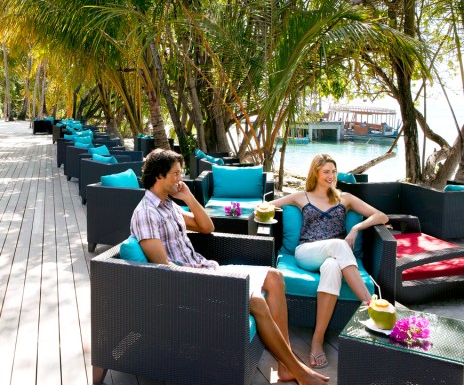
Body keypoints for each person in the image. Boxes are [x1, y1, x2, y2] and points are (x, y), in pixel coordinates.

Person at [130, 149, 329, 385]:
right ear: (159, 176)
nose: (180, 178)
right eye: (175, 174)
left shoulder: (168, 206)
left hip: (207, 270)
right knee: (256, 300)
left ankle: (286, 367)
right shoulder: (145, 213)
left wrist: (189, 199)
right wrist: (213, 280)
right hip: (190, 283)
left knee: (275, 277)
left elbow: (207, 227)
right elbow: (166, 269)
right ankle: (301, 373)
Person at [264, 153, 388, 369]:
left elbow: (381, 216)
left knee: (332, 267)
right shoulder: (301, 197)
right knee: (339, 244)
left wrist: (356, 228)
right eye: (326, 172)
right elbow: (266, 205)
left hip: (333, 258)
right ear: (316, 173)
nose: (331, 176)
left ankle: (317, 340)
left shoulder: (345, 198)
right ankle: (371, 305)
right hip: (306, 253)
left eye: (333, 171)